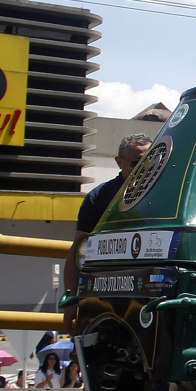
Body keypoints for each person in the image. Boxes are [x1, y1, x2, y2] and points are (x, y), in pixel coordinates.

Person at [63, 133, 153, 332]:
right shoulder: (98, 197)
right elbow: (78, 249)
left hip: (148, 292)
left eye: (151, 161)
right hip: (104, 294)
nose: (143, 168)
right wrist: (70, 299)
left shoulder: (166, 194)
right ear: (119, 162)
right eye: (137, 162)